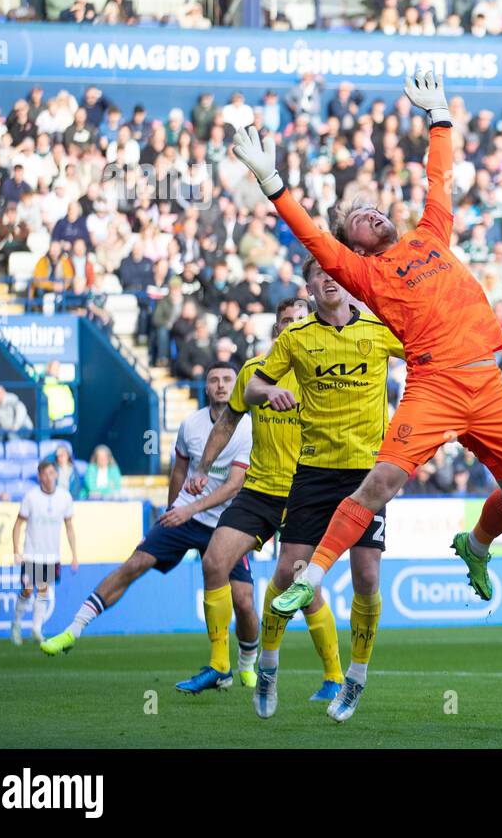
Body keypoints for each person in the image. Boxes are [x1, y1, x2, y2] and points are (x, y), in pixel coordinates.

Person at [235, 72, 502, 622]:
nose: (373, 214)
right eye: (360, 219)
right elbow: (312, 238)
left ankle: (477, 545)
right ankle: (314, 576)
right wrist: (272, 182)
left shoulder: (430, 234)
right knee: (381, 484)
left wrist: (439, 115)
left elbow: (439, 179)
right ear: (356, 244)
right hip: (435, 384)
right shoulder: (364, 275)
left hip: (486, 381)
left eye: (372, 209)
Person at [241, 266, 404, 721]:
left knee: (367, 578)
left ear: (347, 282)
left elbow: (425, 353)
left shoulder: (378, 329)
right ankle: (269, 664)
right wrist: (269, 392)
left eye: (334, 273)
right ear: (309, 288)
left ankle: (355, 678)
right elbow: (254, 385)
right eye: (318, 275)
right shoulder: (295, 338)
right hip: (313, 471)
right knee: (292, 572)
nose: (328, 280)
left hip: (368, 474)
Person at [181, 298, 346, 707]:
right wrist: (201, 467)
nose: (292, 326)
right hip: (258, 489)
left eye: (299, 320)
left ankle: (334, 675)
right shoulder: (254, 373)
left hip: (304, 492)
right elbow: (228, 421)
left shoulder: (322, 373)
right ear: (276, 328)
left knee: (298, 583)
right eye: (285, 321)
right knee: (214, 560)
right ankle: (220, 664)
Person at [41, 363, 255, 664]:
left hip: (227, 523)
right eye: (214, 380)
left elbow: (235, 486)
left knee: (244, 600)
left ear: (238, 386)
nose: (220, 385)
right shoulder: (190, 425)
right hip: (185, 516)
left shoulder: (247, 427)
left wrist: (188, 509)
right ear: (205, 388)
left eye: (227, 380)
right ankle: (74, 629)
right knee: (134, 563)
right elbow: (179, 471)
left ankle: (247, 664)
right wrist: (173, 510)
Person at [11, 461, 77, 646]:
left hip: (51, 555)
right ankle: (16, 625)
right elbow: (18, 524)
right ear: (39, 477)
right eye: (44, 474)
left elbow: (69, 527)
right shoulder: (31, 497)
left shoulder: (64, 497)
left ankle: (36, 629)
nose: (48, 477)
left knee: (43, 590)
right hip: (32, 554)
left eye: (51, 473)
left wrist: (74, 555)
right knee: (28, 589)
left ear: (56, 474)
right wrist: (16, 550)